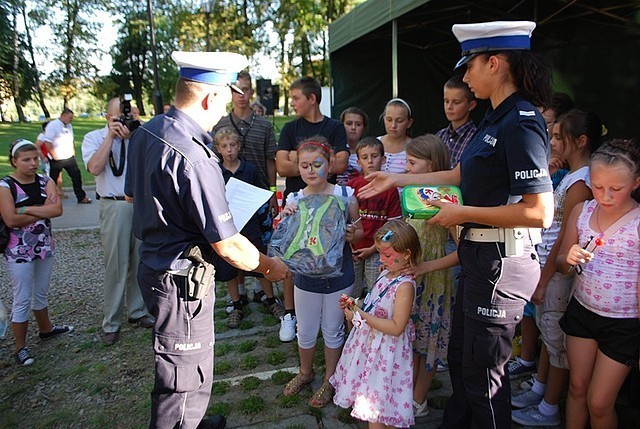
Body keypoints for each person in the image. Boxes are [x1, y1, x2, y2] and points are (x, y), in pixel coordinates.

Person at [358, 21, 554, 428]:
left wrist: (463, 214)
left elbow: (540, 212)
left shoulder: (522, 121)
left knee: (486, 380)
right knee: (463, 363)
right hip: (479, 258)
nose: (465, 76)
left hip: (502, 260)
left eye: (470, 66)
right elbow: (462, 175)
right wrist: (399, 178)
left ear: (495, 63)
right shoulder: (494, 118)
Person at [124, 51, 290, 429]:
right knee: (183, 380)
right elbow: (229, 245)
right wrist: (271, 267)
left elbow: (135, 196)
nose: (229, 104)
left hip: (155, 265)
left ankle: (192, 422)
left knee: (178, 369)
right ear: (209, 98)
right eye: (227, 95)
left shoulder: (147, 131)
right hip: (181, 279)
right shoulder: (195, 158)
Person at [511, 109, 603, 426]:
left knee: (557, 340)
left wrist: (544, 279)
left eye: (559, 136)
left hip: (558, 275)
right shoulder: (571, 176)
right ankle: (540, 389)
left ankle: (549, 408)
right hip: (549, 268)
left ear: (581, 141)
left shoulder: (582, 183)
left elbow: (565, 237)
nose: (553, 141)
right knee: (550, 336)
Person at [556, 139, 640, 429]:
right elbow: (561, 266)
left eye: (616, 189)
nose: (605, 196)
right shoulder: (582, 211)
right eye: (597, 186)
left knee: (600, 402)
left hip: (625, 323)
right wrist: (569, 257)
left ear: (636, 183)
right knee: (577, 389)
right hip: (582, 311)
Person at [280, 137, 362, 408]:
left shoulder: (345, 195)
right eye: (305, 165)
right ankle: (305, 372)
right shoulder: (294, 198)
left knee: (332, 329)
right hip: (305, 277)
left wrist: (352, 234)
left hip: (339, 276)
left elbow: (358, 231)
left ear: (330, 165)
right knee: (305, 329)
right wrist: (286, 217)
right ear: (298, 168)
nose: (311, 171)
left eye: (317, 164)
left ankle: (330, 379)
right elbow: (286, 238)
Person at [275, 76, 349, 342]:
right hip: (298, 201)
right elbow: (281, 167)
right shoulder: (290, 128)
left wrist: (299, 158)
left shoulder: (335, 126)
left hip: (328, 203)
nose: (292, 103)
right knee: (292, 255)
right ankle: (290, 313)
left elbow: (341, 164)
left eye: (296, 98)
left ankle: (325, 312)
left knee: (324, 252)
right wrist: (317, 163)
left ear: (312, 99)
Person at [509, 92, 576, 386]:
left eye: (551, 126)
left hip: (550, 255)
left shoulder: (572, 176)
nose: (547, 133)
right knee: (532, 312)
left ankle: (542, 386)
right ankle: (527, 361)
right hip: (533, 248)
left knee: (550, 325)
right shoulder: (540, 155)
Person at [331, 219, 420, 428]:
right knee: (375, 407)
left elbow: (397, 327)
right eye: (380, 252)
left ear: (407, 254)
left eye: (388, 255)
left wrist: (361, 315)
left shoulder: (405, 286)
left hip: (388, 355)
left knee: (378, 409)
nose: (381, 259)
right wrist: (354, 307)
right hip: (372, 351)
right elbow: (375, 304)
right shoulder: (385, 274)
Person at [82, 97, 154, 346]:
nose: (125, 121)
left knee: (140, 259)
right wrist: (110, 138)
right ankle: (111, 322)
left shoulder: (139, 136)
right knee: (116, 265)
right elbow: (94, 167)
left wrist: (135, 135)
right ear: (107, 117)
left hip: (139, 203)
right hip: (113, 204)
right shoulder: (94, 137)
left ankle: (137, 310)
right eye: (119, 118)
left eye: (129, 116)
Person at [0, 140, 73, 366]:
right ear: (14, 162)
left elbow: (57, 209)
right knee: (21, 297)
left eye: (35, 159)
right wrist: (42, 210)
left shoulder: (45, 180)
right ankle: (20, 346)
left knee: (40, 292)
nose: (33, 163)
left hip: (43, 245)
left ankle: (46, 329)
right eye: (26, 160)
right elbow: (10, 219)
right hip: (18, 250)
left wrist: (25, 208)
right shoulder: (6, 186)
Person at [402, 135, 459, 418]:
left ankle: (419, 399)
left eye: (412, 163)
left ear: (433, 165)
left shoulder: (448, 198)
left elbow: (464, 251)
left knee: (430, 344)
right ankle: (409, 391)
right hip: (412, 281)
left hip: (434, 282)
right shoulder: (413, 194)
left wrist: (426, 267)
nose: (407, 168)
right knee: (414, 340)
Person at [212, 71, 279, 305]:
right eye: (236, 90)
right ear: (230, 93)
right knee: (231, 245)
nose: (241, 95)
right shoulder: (219, 124)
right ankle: (237, 297)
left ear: (252, 92)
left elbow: (271, 159)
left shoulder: (263, 124)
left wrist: (271, 192)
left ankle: (267, 295)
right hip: (229, 198)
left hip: (257, 193)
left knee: (256, 245)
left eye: (246, 90)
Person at [213, 126, 285, 328]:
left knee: (258, 261)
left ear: (239, 146)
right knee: (230, 265)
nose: (229, 150)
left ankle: (271, 299)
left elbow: (259, 193)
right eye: (224, 146)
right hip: (228, 226)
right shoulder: (216, 172)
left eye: (233, 145)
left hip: (251, 224)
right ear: (218, 148)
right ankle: (236, 303)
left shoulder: (250, 169)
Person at [346, 137, 402, 299]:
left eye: (374, 156)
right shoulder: (351, 187)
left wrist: (374, 248)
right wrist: (349, 246)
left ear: (383, 159)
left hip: (378, 250)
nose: (370, 161)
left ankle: (374, 323)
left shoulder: (390, 189)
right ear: (358, 161)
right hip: (353, 250)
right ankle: (352, 324)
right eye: (365, 157)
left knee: (376, 292)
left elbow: (393, 225)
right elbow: (344, 220)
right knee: (351, 293)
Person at [43, 109, 91, 204]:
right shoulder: (53, 125)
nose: (71, 120)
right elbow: (47, 142)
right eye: (70, 118)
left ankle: (81, 197)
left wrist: (72, 150)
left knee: (76, 176)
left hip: (69, 157)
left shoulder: (69, 126)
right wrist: (54, 155)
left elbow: (70, 139)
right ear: (63, 116)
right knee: (53, 179)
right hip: (57, 158)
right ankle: (49, 199)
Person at [436, 74, 477, 169]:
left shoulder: (475, 137)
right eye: (446, 101)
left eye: (456, 102)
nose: (449, 107)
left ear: (471, 105)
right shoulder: (439, 135)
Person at [377, 98, 413, 174]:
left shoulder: (415, 148)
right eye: (389, 120)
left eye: (399, 121)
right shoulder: (374, 144)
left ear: (409, 123)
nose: (393, 125)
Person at [337, 107, 368, 186]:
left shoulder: (369, 151)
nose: (353, 128)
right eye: (349, 123)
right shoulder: (334, 150)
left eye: (358, 124)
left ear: (364, 128)